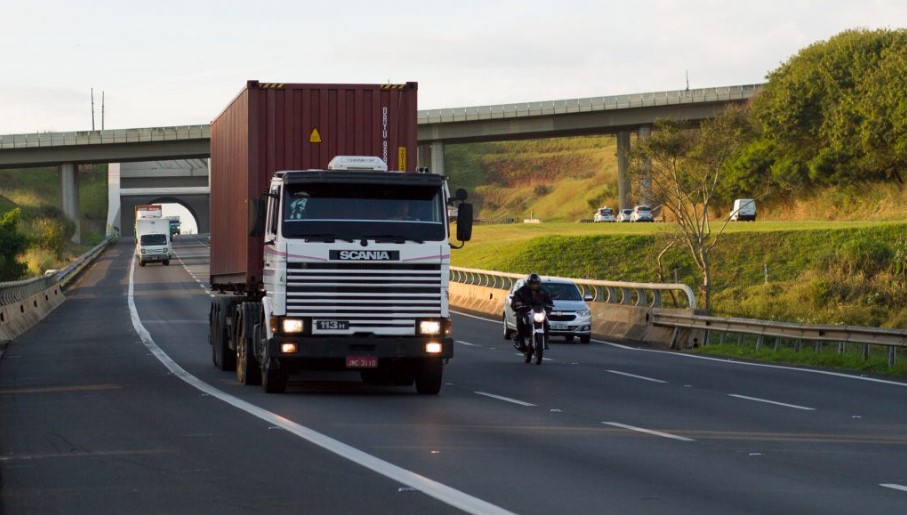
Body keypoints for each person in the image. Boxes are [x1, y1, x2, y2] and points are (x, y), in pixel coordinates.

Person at [510, 273, 553, 350]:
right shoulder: (522, 291)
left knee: (546, 323)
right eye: (532, 284)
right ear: (529, 283)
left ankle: (545, 342)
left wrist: (549, 307)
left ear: (538, 284)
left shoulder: (543, 292)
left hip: (538, 311)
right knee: (521, 321)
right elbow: (515, 299)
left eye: (536, 284)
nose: (534, 286)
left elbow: (549, 301)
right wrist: (517, 303)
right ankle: (520, 340)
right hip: (525, 311)